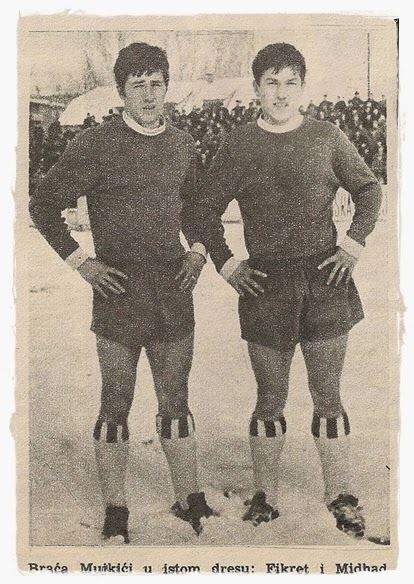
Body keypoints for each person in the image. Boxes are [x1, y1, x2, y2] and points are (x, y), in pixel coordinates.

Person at [190, 43, 382, 537]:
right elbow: (203, 209)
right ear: (256, 88)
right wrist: (228, 263)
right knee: (269, 396)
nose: (280, 92)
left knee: (328, 394)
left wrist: (353, 244)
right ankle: (265, 495)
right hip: (266, 283)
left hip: (325, 279)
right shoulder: (239, 144)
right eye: (271, 82)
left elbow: (368, 189)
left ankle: (340, 493)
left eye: (290, 82)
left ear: (303, 86)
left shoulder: (327, 136)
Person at [29, 42, 215, 543]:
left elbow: (199, 205)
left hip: (173, 286)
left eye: (157, 84)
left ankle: (189, 495)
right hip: (119, 289)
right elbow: (43, 205)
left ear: (168, 88)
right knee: (116, 400)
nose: (150, 95)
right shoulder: (96, 144)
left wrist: (197, 250)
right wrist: (82, 262)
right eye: (139, 85)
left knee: (176, 397)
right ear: (121, 92)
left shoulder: (181, 142)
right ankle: (116, 507)